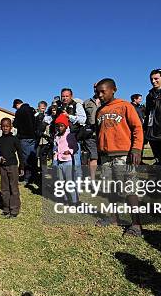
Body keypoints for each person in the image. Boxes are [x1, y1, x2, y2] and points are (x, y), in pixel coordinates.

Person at [94, 78, 144, 237]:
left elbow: (137, 128)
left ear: (113, 89)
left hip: (124, 155)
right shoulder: (100, 111)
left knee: (130, 189)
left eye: (103, 91)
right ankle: (114, 218)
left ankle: (136, 224)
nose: (100, 95)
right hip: (106, 156)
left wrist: (136, 148)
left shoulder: (125, 106)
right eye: (98, 92)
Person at [44, 89, 86, 180]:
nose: (65, 98)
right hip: (58, 140)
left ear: (71, 96)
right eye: (63, 96)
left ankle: (76, 185)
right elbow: (46, 120)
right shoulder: (57, 106)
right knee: (57, 163)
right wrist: (53, 114)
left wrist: (69, 116)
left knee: (76, 164)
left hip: (72, 138)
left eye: (67, 96)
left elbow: (83, 120)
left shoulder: (76, 105)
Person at [0, 118, 24, 218]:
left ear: (11, 127)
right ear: (1, 127)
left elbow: (20, 153)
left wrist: (21, 166)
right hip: (3, 167)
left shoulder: (15, 139)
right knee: (4, 188)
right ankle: (6, 208)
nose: (5, 128)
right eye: (3, 126)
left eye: (7, 126)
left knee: (14, 188)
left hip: (13, 166)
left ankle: (14, 209)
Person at [52, 114, 79, 206]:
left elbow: (76, 147)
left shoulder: (69, 135)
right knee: (61, 181)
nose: (59, 128)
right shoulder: (56, 136)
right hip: (59, 162)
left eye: (62, 126)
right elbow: (55, 149)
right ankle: (66, 199)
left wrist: (70, 151)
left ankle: (74, 201)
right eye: (58, 126)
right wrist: (55, 160)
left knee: (69, 182)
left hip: (68, 162)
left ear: (66, 126)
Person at [12, 99, 37, 185]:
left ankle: (27, 178)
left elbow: (15, 124)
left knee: (25, 158)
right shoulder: (32, 109)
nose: (16, 109)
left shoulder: (19, 112)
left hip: (24, 137)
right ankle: (34, 177)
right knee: (33, 157)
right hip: (33, 137)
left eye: (15, 107)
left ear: (17, 104)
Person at [82, 88, 100, 180]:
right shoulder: (86, 102)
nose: (96, 89)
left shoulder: (108, 101)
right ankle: (92, 179)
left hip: (104, 133)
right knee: (93, 157)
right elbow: (82, 118)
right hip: (91, 133)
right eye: (94, 87)